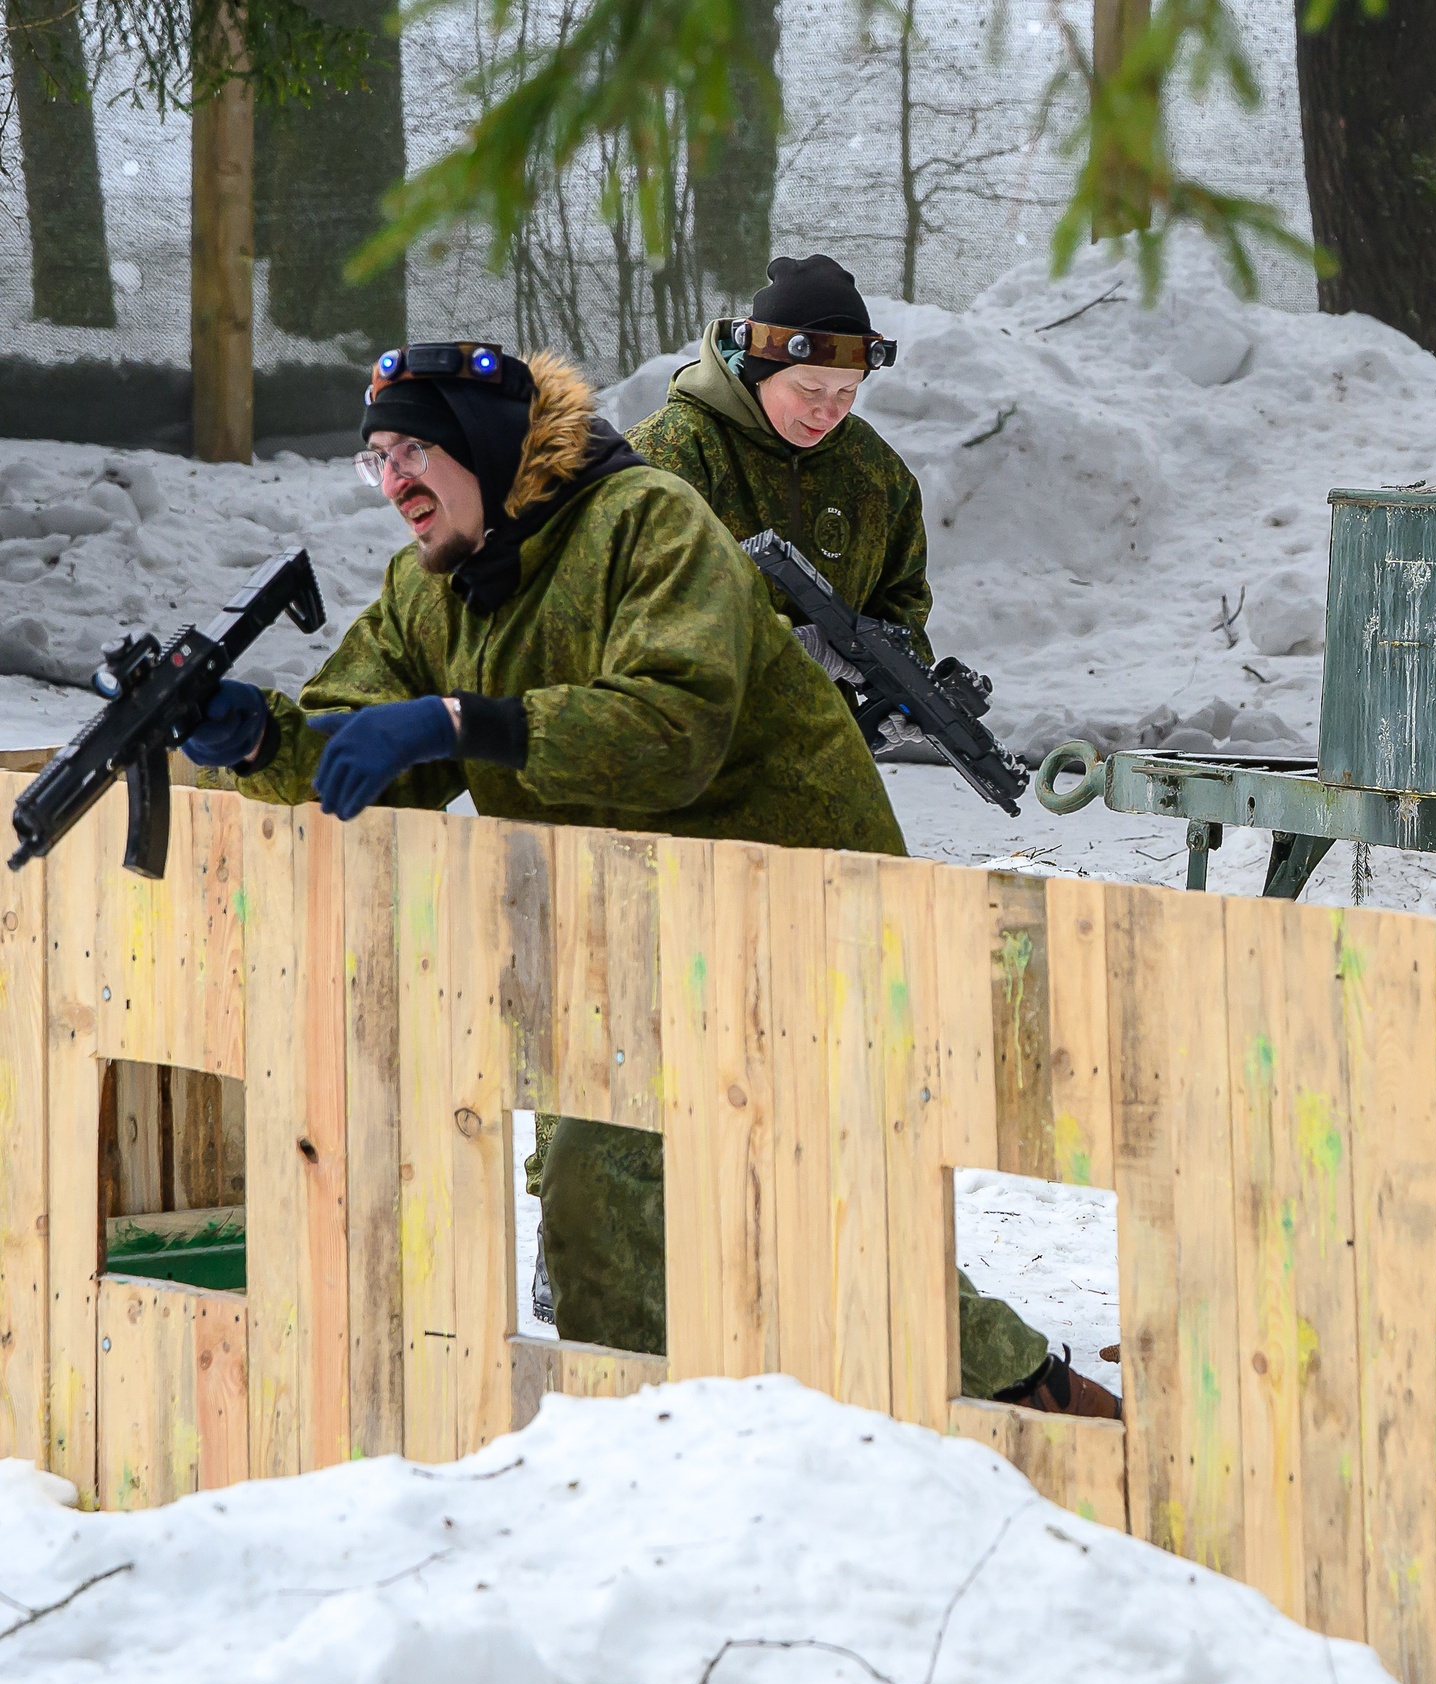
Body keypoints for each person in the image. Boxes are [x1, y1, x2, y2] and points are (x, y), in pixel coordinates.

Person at [181, 340, 1113, 1417]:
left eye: (414, 451)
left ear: (484, 446)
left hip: (792, 902)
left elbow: (674, 729)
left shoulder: (650, 525)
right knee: (751, 1195)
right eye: (376, 459)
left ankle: (688, 1446)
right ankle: (922, 1405)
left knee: (727, 1190)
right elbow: (367, 755)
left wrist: (461, 719)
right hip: (631, 928)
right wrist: (258, 737)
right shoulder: (431, 590)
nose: (393, 482)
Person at [626, 255, 932, 655]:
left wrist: (899, 692)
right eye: (809, 390)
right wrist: (777, 652)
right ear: (760, 370)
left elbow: (902, 596)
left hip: (829, 719)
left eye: (847, 392)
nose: (828, 412)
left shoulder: (875, 469)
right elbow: (627, 609)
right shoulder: (672, 454)